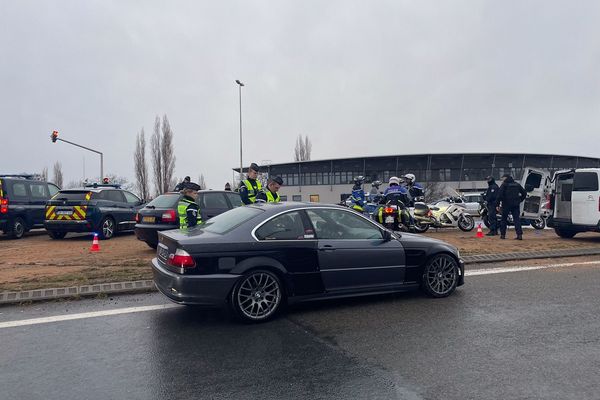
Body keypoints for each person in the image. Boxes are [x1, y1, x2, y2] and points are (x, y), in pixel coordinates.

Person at [496, 174, 527, 240]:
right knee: (516, 219)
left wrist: (497, 204)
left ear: (506, 178)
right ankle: (519, 235)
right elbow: (524, 193)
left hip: (506, 204)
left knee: (504, 219)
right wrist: (520, 200)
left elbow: (499, 195)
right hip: (515, 204)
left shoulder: (504, 185)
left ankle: (503, 235)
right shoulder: (517, 184)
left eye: (502, 178)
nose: (502, 179)